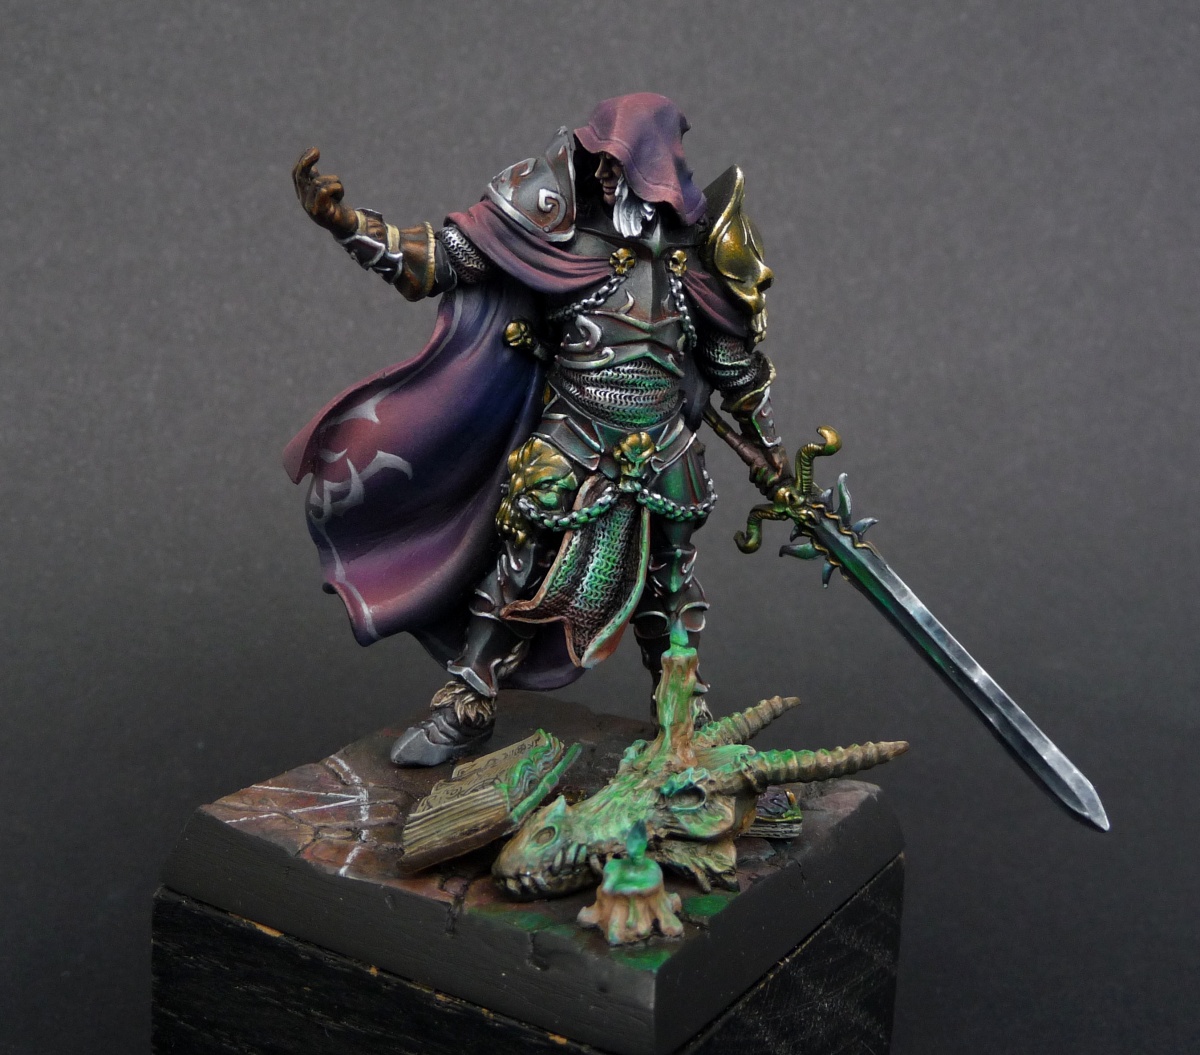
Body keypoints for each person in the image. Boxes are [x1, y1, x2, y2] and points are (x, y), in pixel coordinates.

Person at [286, 94, 787, 766]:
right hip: (573, 433)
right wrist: (347, 224)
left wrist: (768, 447)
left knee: (671, 584)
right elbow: (436, 260)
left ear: (657, 168)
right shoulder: (554, 230)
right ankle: (468, 700)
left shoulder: (695, 253)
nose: (604, 175)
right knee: (518, 564)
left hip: (665, 443)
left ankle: (683, 713)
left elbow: (730, 360)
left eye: (619, 164)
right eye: (600, 160)